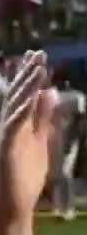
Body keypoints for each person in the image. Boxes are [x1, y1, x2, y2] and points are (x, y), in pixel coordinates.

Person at [50, 73, 84, 221]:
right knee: (57, 173)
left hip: (71, 140)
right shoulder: (52, 96)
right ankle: (58, 207)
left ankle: (70, 208)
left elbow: (81, 121)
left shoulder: (78, 97)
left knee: (66, 173)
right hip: (56, 139)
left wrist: (72, 140)